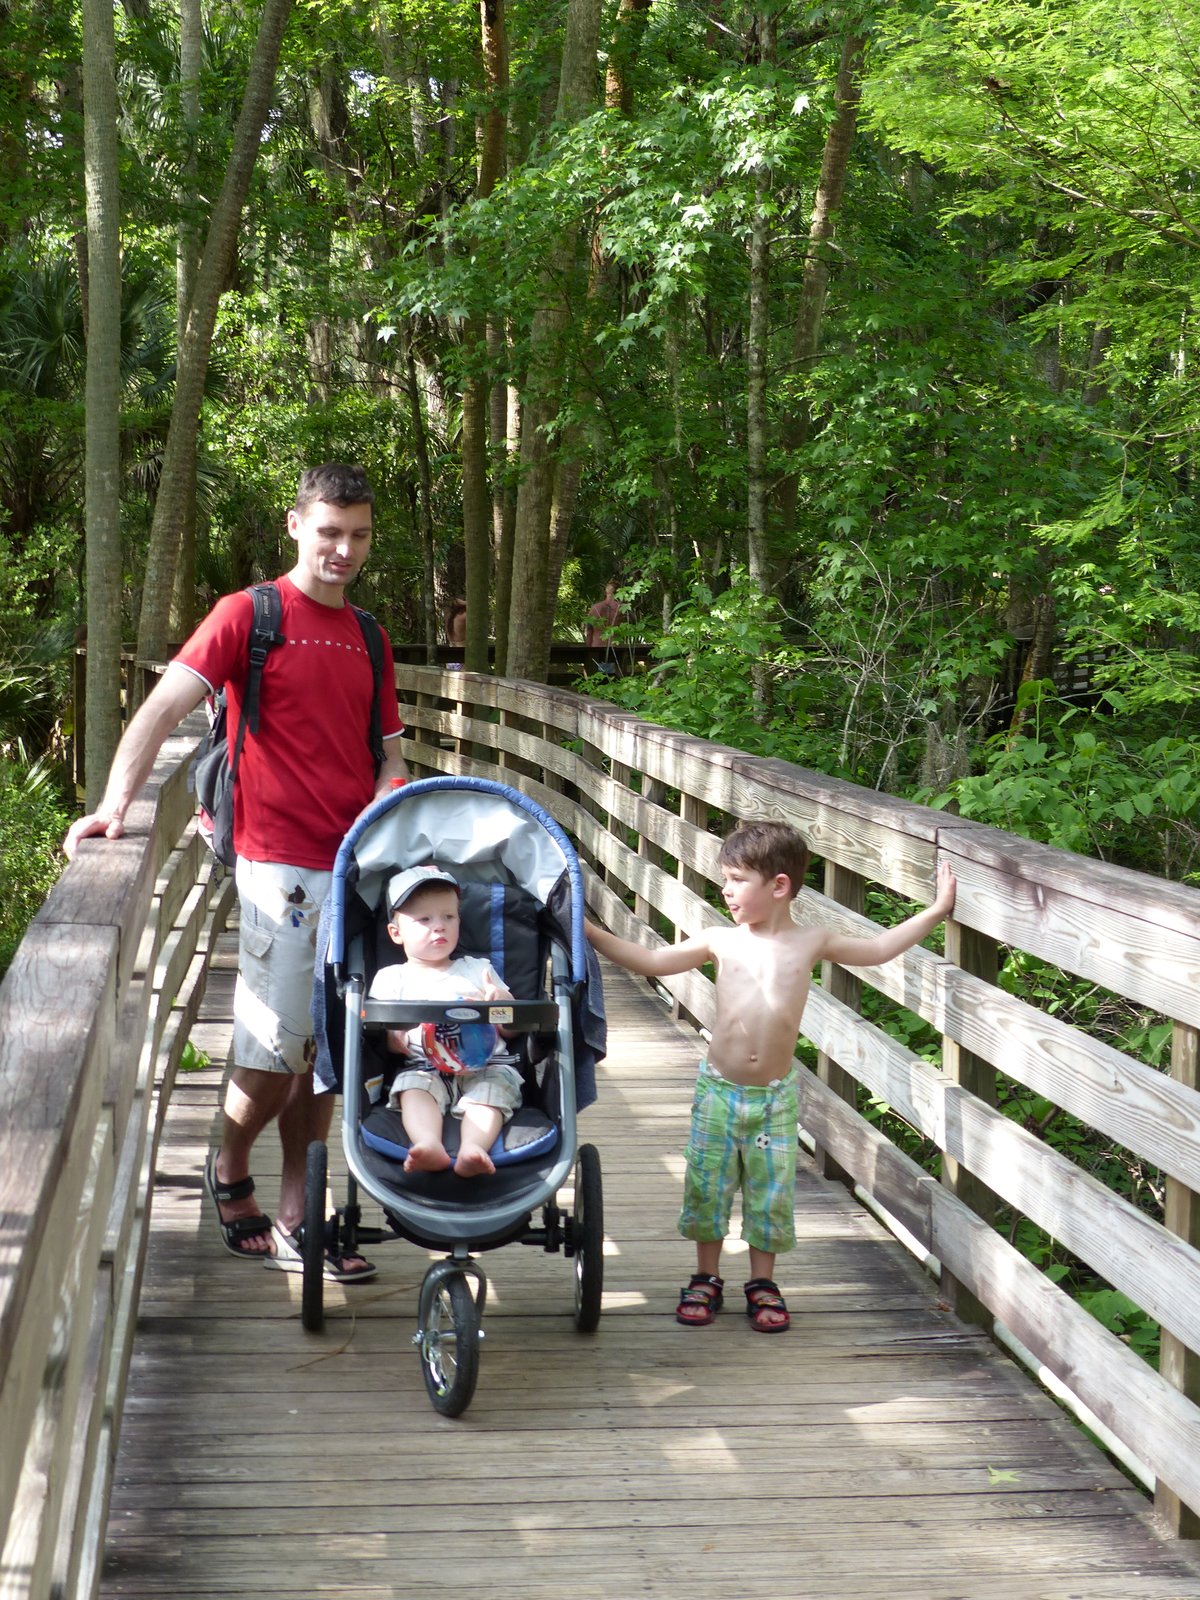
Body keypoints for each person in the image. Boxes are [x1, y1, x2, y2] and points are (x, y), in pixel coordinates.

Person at [64, 463, 410, 1280]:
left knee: (329, 1045)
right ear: (296, 526)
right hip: (275, 864)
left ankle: (299, 1207)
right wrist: (115, 805)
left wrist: (390, 798)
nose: (344, 550)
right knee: (272, 1050)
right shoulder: (247, 616)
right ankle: (228, 1162)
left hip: (353, 866)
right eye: (329, 532)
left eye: (358, 535)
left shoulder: (368, 635)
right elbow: (159, 711)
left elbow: (390, 756)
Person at [585, 820, 956, 1333]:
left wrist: (936, 911)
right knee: (708, 1185)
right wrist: (583, 928)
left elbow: (878, 950)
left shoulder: (811, 942)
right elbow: (649, 962)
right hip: (718, 1090)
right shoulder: (721, 940)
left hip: (774, 1099)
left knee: (769, 1192)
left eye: (736, 879)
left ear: (778, 886)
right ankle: (706, 1277)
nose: (725, 889)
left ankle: (762, 1283)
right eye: (725, 879)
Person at [370, 864, 520, 1178]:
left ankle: (473, 1148)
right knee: (413, 1090)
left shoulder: (478, 969)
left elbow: (513, 1027)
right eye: (425, 919)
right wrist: (400, 1038)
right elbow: (384, 1037)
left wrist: (501, 1002)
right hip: (423, 1065)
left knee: (490, 1095)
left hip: (487, 1063)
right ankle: (427, 1144)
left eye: (448, 917)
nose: (439, 926)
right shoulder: (391, 978)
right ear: (396, 933)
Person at [585, 580, 621, 648]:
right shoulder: (622, 609)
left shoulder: (595, 608)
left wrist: (588, 647)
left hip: (597, 646)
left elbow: (589, 630)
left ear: (605, 591)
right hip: (616, 648)